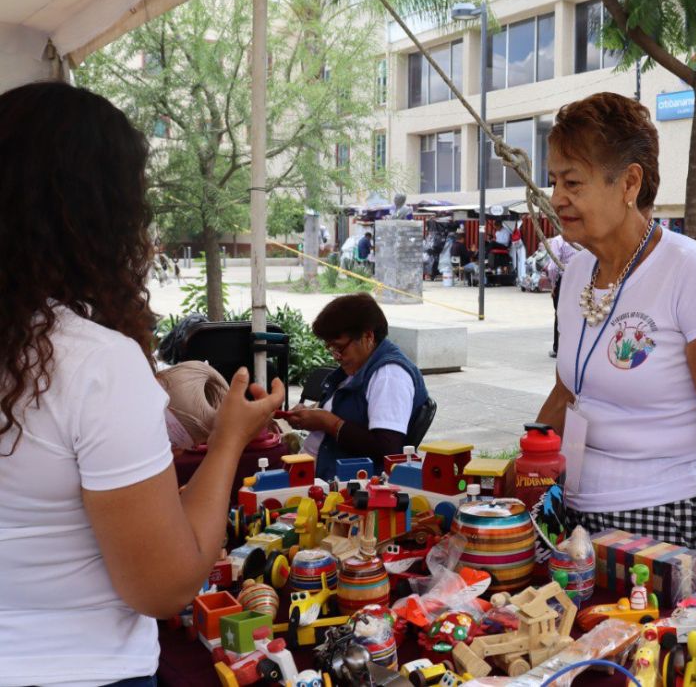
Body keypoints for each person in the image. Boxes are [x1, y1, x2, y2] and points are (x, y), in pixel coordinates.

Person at [0, 81, 285, 686]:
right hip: (81, 669)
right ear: (99, 215)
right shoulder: (93, 364)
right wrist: (230, 438)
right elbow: (165, 584)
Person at [537, 92, 696, 590]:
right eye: (554, 181)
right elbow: (566, 391)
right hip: (570, 514)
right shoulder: (575, 273)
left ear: (629, 183)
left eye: (572, 182)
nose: (556, 198)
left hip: (659, 520)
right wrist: (523, 468)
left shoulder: (694, 273)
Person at [276, 293, 428, 480]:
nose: (335, 356)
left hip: (349, 486)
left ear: (368, 337)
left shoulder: (389, 375)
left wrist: (328, 423)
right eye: (330, 348)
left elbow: (387, 447)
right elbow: (349, 410)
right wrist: (311, 413)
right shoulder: (359, 367)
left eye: (339, 348)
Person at [544, 234, 578, 358]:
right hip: (583, 279)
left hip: (565, 280)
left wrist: (553, 284)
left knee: (561, 314)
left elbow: (553, 267)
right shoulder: (583, 237)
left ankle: (558, 348)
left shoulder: (558, 241)